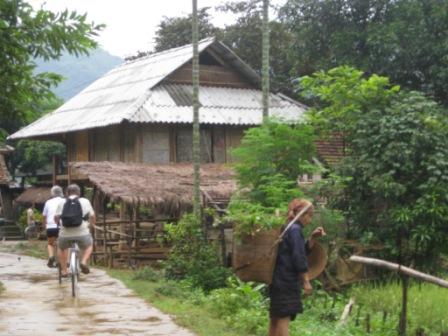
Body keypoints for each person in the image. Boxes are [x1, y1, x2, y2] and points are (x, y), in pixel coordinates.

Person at [269, 198, 326, 336]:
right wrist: (306, 281)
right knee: (283, 319)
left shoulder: (288, 227)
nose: (310, 220)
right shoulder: (295, 230)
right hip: (287, 281)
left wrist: (312, 238)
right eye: (309, 216)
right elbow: (298, 257)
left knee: (275, 320)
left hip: (277, 280)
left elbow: (295, 251)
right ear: (302, 214)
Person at [55, 184, 95, 276]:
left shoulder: (62, 202)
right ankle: (84, 261)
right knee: (89, 245)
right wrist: (91, 225)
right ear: (79, 193)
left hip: (65, 233)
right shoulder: (85, 201)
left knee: (61, 248)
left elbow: (56, 217)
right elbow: (92, 216)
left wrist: (59, 224)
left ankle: (64, 271)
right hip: (82, 233)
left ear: (67, 193)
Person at [42, 186, 64, 268]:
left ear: (52, 193)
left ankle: (51, 256)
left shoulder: (48, 202)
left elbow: (44, 216)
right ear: (61, 192)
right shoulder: (65, 201)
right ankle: (59, 260)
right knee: (61, 245)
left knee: (50, 244)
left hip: (50, 226)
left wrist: (45, 225)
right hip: (62, 226)